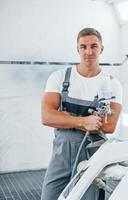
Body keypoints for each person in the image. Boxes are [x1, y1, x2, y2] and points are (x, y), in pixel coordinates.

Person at [40, 28, 122, 200]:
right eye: (83, 47)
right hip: (61, 154)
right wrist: (84, 122)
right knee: (50, 196)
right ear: (77, 49)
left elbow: (109, 125)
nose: (89, 52)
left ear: (101, 49)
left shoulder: (112, 85)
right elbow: (47, 116)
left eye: (94, 46)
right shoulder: (60, 78)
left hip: (92, 154)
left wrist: (64, 117)